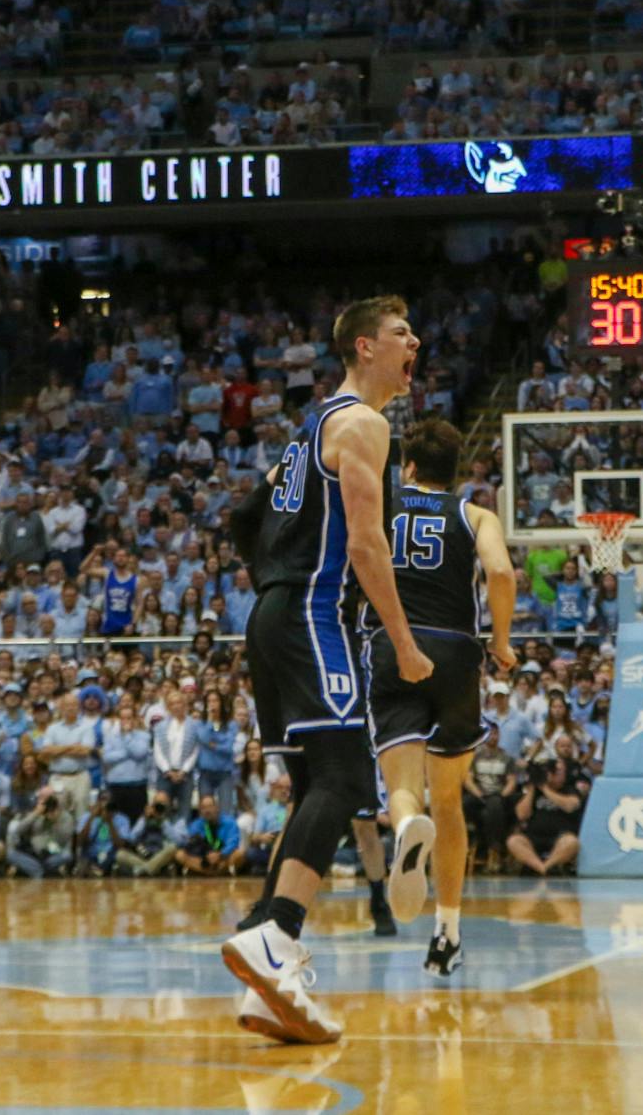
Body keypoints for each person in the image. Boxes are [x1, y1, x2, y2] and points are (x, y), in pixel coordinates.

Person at [220, 295, 429, 1046]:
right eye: (403, 331)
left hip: (276, 614)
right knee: (347, 781)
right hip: (313, 614)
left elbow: (245, 520)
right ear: (364, 347)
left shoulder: (310, 432)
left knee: (316, 786)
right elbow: (367, 547)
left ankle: (266, 970)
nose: (417, 341)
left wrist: (279, 581)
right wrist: (403, 643)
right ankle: (275, 934)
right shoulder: (364, 424)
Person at [362, 417, 516, 976]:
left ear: (407, 468)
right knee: (448, 802)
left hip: (394, 644)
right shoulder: (474, 512)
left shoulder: (381, 505)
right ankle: (447, 933)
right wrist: (499, 641)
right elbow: (499, 571)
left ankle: (406, 830)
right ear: (456, 473)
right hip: (456, 654)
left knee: (403, 789)